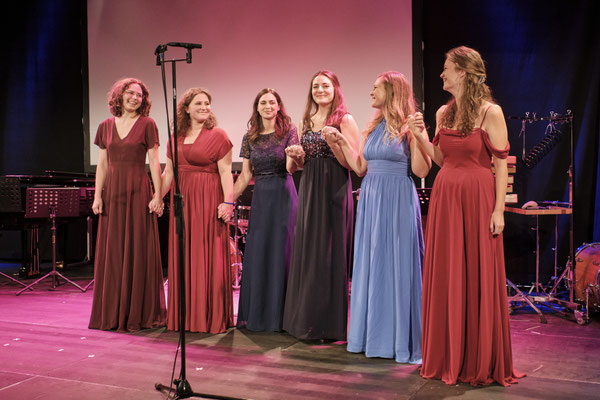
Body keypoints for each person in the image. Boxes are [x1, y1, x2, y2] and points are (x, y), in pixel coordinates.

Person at [411, 46, 524, 385]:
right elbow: (441, 159)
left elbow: (500, 163)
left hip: (477, 198)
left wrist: (499, 209)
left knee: (476, 272)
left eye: (446, 68)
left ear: (462, 71)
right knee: (448, 271)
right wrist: (419, 136)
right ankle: (448, 354)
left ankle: (477, 358)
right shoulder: (443, 113)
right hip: (446, 198)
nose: (441, 74)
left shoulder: (491, 112)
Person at [324, 71, 431, 363]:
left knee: (397, 265)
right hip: (372, 201)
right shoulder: (373, 126)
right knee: (374, 265)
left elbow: (421, 171)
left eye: (375, 88)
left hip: (397, 200)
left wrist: (419, 136)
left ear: (392, 91)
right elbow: (360, 168)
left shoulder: (410, 126)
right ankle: (371, 337)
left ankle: (400, 341)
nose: (371, 92)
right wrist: (339, 143)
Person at [283, 70, 361, 341]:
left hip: (334, 188)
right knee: (309, 253)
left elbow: (353, 164)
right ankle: (305, 321)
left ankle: (327, 326)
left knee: (328, 253)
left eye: (325, 85)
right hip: (309, 188)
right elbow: (299, 166)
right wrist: (296, 157)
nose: (320, 90)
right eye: (315, 86)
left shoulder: (345, 120)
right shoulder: (306, 120)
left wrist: (335, 142)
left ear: (335, 88)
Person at [89, 77, 166, 332]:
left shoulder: (148, 124)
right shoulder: (105, 126)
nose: (135, 98)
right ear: (119, 95)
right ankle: (112, 312)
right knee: (113, 251)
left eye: (139, 95)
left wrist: (157, 195)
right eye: (130, 93)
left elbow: (154, 161)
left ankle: (137, 312)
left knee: (138, 248)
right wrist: (97, 196)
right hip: (113, 193)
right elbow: (102, 165)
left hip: (138, 191)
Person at [161, 87, 234, 334]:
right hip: (183, 202)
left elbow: (226, 173)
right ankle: (185, 316)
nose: (204, 107)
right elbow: (168, 173)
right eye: (198, 103)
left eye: (207, 103)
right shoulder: (175, 138)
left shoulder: (218, 135)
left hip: (208, 202)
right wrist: (156, 197)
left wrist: (228, 202)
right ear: (186, 108)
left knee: (207, 255)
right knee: (184, 254)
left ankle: (208, 316)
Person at [233, 88, 300, 332]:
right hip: (261, 198)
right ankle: (259, 314)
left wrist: (293, 156)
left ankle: (282, 317)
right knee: (260, 252)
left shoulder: (290, 131)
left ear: (279, 106)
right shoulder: (249, 137)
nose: (268, 106)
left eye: (272, 102)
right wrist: (227, 201)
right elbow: (245, 175)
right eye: (263, 102)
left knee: (283, 253)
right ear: (257, 107)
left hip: (283, 195)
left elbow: (291, 168)